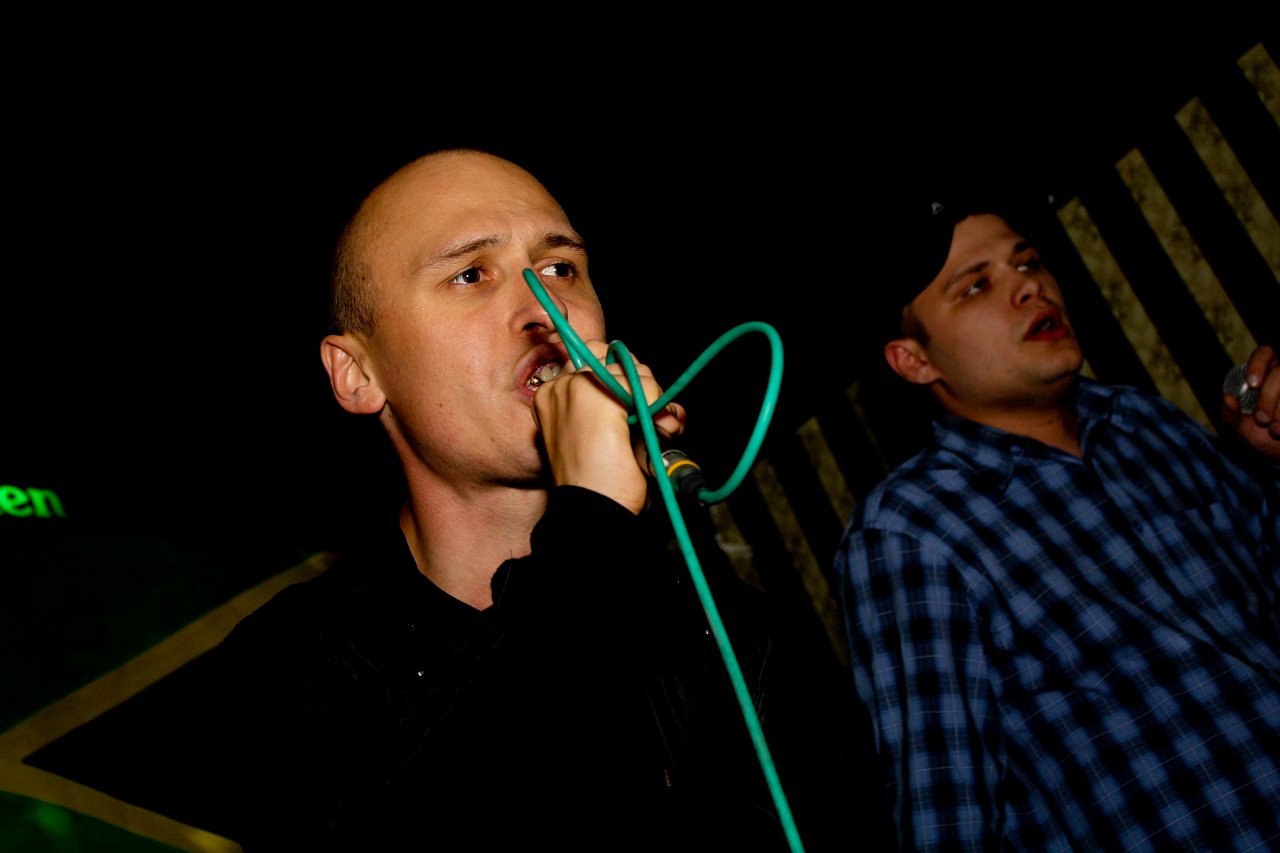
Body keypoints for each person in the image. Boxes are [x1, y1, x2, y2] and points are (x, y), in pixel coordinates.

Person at [30, 147, 889, 851]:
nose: (544, 307)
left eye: (561, 266)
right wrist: (589, 525)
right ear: (356, 373)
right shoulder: (295, 667)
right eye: (472, 274)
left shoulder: (723, 629)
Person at [834, 194, 1280, 851]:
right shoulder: (910, 528)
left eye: (1028, 262)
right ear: (914, 360)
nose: (1029, 286)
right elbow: (947, 818)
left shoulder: (1145, 420)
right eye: (976, 285)